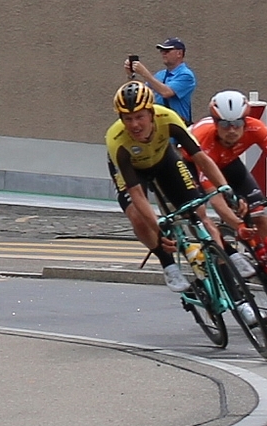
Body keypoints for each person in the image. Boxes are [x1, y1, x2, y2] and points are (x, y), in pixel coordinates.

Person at [106, 81, 256, 323]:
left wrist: (225, 188)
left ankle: (233, 279)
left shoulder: (169, 118)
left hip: (164, 160)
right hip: (133, 171)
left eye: (140, 117)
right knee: (136, 215)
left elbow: (202, 159)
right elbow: (136, 194)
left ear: (152, 113)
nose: (134, 124)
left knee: (199, 211)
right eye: (128, 118)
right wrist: (157, 227)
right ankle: (168, 265)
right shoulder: (117, 140)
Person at [189, 90, 267, 270]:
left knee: (259, 211)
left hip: (227, 161)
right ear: (215, 123)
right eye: (225, 124)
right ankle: (224, 257)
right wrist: (238, 225)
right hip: (194, 162)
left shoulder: (256, 128)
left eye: (237, 123)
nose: (232, 130)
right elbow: (215, 198)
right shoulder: (204, 140)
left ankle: (266, 255)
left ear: (245, 121)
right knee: (199, 214)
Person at [124, 37, 195, 125]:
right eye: (162, 51)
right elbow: (142, 92)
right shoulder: (161, 74)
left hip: (177, 128)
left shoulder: (186, 75)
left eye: (167, 51)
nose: (163, 54)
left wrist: (144, 73)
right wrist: (131, 75)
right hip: (160, 126)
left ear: (179, 53)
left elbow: (166, 92)